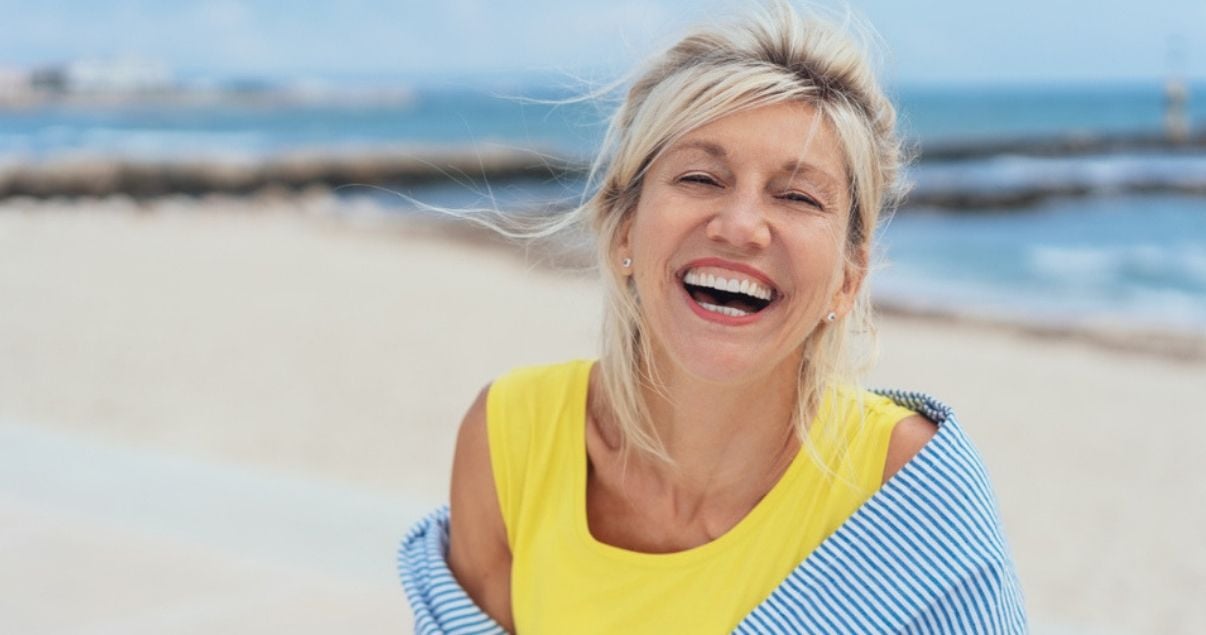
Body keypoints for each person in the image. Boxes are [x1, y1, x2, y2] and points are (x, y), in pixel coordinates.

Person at [398, 2, 1025, 633]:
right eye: (700, 177)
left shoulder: (906, 486)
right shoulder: (511, 437)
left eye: (798, 196)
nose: (740, 226)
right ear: (623, 227)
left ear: (848, 277)